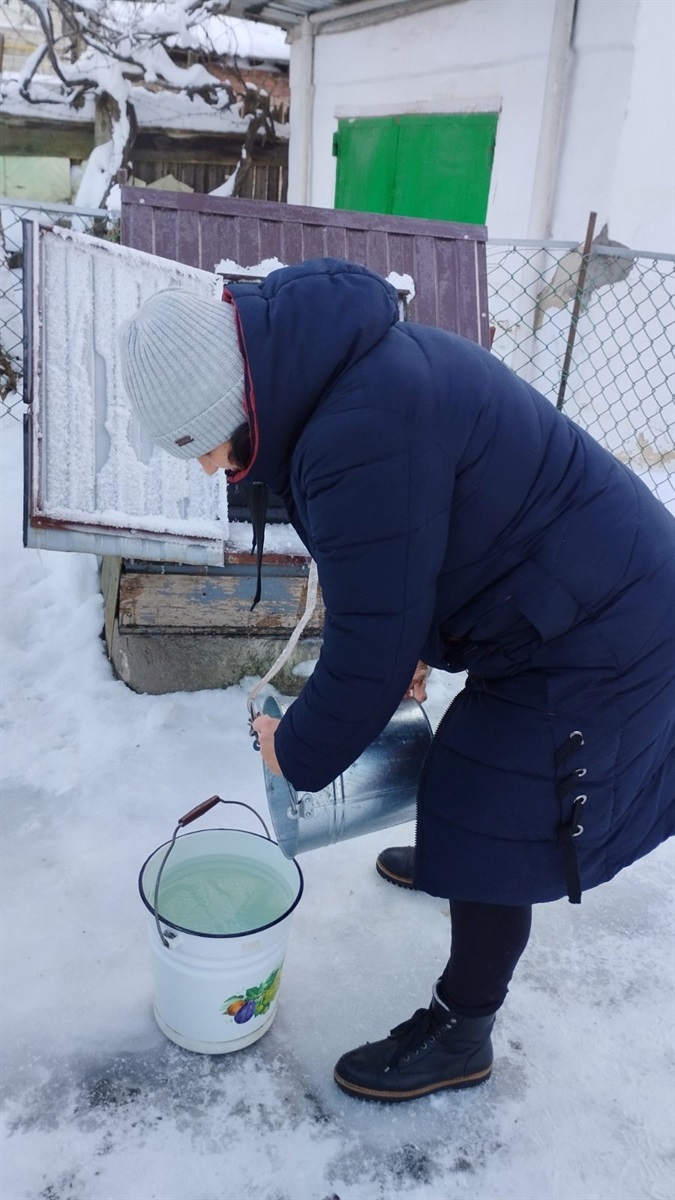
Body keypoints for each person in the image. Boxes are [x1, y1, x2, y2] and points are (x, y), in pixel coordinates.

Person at [119, 259, 675, 1103]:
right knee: (469, 782)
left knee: (499, 811)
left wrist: (291, 750)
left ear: (230, 407)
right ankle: (456, 854)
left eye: (198, 447)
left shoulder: (354, 433)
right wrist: (414, 633)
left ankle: (461, 1033)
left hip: (605, 627)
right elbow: (407, 557)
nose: (203, 471)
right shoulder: (334, 379)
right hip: (570, 591)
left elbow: (366, 651)